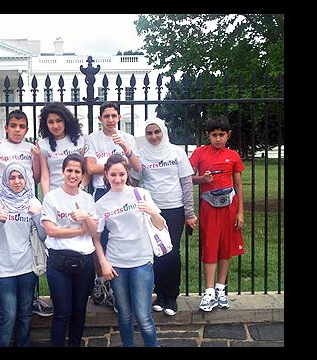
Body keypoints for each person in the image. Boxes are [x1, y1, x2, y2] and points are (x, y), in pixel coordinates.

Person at [0, 109, 54, 317]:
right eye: (13, 126)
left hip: (26, 203)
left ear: (27, 129)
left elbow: (36, 177)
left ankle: (30, 297)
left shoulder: (31, 148)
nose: (17, 130)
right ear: (6, 127)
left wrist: (38, 158)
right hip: (3, 203)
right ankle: (3, 295)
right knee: (4, 246)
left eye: (22, 127)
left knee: (31, 244)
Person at [90, 154, 160, 347]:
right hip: (116, 264)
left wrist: (153, 212)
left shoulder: (141, 194)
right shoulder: (101, 204)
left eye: (121, 174)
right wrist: (103, 262)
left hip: (142, 262)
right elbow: (96, 237)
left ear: (127, 173)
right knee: (124, 314)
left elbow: (160, 225)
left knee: (143, 316)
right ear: (106, 175)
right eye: (113, 174)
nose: (118, 178)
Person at [84, 101, 141, 309]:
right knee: (100, 238)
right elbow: (89, 167)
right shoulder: (92, 139)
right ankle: (102, 282)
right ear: (100, 119)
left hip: (124, 191)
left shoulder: (128, 138)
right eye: (106, 116)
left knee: (122, 238)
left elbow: (137, 168)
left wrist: (125, 149)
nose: (110, 120)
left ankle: (121, 290)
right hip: (101, 192)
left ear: (119, 118)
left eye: (113, 116)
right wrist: (116, 167)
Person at [138, 117, 197, 316]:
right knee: (155, 252)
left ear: (163, 131)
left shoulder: (177, 153)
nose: (153, 136)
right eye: (149, 133)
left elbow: (187, 184)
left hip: (175, 209)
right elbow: (133, 181)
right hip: (151, 210)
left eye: (157, 132)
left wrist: (189, 213)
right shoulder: (141, 154)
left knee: (171, 252)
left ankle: (171, 296)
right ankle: (159, 294)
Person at [0, 162, 45, 347]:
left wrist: (37, 216)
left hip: (28, 267)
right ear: (6, 180)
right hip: (5, 268)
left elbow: (43, 235)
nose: (17, 181)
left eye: (20, 177)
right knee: (8, 315)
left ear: (26, 180)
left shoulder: (33, 202)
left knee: (25, 314)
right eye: (12, 177)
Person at [40, 154, 97, 347]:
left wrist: (86, 218)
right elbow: (51, 230)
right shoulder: (51, 197)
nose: (73, 175)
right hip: (58, 261)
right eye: (69, 170)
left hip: (84, 262)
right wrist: (81, 229)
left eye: (77, 171)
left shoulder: (88, 199)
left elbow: (95, 232)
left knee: (79, 311)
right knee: (62, 312)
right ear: (63, 172)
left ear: (82, 175)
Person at [189, 115, 245, 312]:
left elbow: (238, 184)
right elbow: (189, 179)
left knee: (225, 248)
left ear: (228, 135)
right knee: (210, 247)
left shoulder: (233, 156)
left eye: (222, 135)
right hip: (209, 207)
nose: (218, 139)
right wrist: (202, 179)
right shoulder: (199, 153)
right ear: (208, 135)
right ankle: (209, 292)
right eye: (214, 135)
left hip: (230, 206)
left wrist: (241, 212)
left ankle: (221, 289)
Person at [37, 102, 89, 196]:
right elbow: (45, 176)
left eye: (59, 120)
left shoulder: (80, 141)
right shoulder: (43, 144)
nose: (55, 126)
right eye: (51, 122)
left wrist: (81, 188)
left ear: (65, 121)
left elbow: (86, 170)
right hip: (54, 194)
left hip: (76, 193)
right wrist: (47, 198)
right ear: (46, 124)